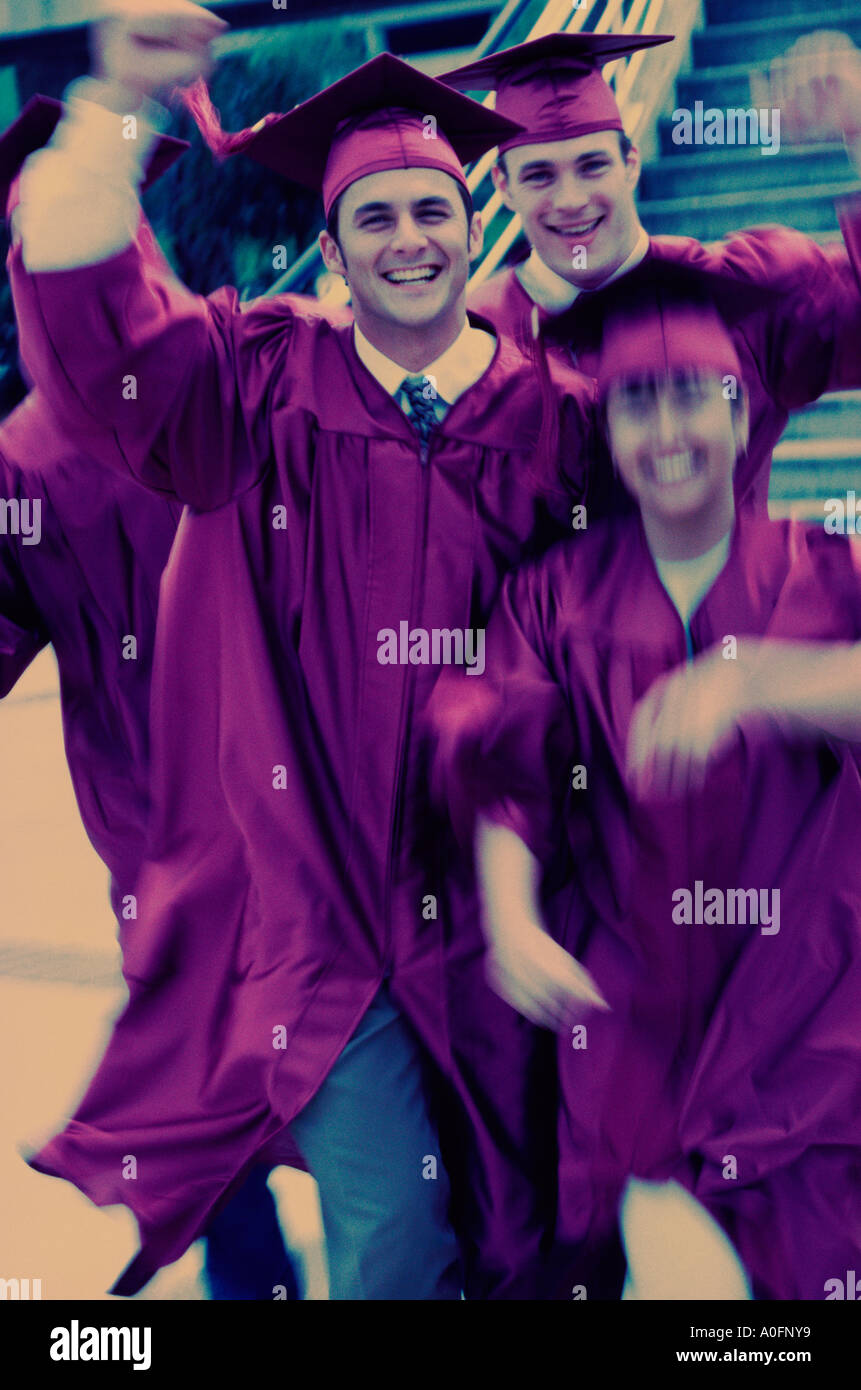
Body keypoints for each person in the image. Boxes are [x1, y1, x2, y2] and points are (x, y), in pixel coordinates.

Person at [11, 2, 598, 1300]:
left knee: (539, 1241)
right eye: (373, 215)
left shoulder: (546, 407)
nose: (408, 238)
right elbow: (116, 351)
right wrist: (116, 118)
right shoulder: (267, 391)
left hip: (514, 909)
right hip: (331, 929)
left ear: (472, 220)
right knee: (388, 1241)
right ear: (328, 246)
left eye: (431, 208)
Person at [429, 267, 861, 1299]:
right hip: (636, 1029)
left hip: (808, 1024)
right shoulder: (554, 593)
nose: (665, 431)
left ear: (742, 407)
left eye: (690, 395)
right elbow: (505, 763)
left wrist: (756, 680)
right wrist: (511, 917)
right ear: (607, 426)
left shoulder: (823, 571)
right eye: (635, 400)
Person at [0, 94, 300, 1303]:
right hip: (238, 833)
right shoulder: (249, 378)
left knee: (231, 1105)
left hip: (198, 848)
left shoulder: (248, 377)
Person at [442, 28, 861, 513]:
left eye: (593, 165)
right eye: (539, 175)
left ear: (631, 164)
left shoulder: (742, 289)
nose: (571, 200)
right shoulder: (471, 337)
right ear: (502, 185)